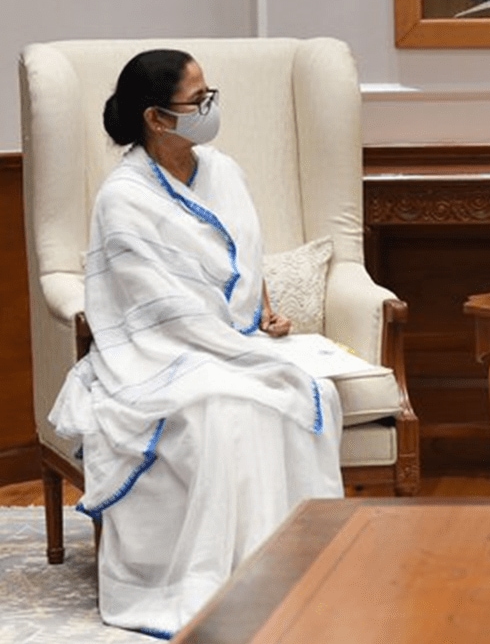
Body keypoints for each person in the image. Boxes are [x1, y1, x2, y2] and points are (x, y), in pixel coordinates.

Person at [49, 49, 344, 639]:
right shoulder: (124, 196)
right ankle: (223, 586)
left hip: (229, 340)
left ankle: (297, 574)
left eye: (212, 96)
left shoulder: (224, 170)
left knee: (303, 396)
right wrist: (227, 344)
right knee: (224, 409)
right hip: (160, 352)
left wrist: (262, 314)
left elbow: (241, 258)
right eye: (199, 101)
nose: (211, 110)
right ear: (157, 118)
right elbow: (152, 304)